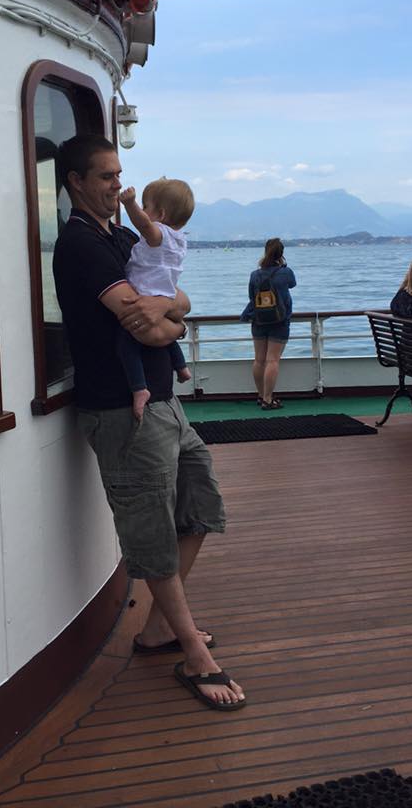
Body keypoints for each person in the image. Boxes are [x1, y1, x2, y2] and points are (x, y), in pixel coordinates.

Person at [52, 134, 246, 711]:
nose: (117, 184)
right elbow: (145, 324)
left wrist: (169, 309)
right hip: (123, 412)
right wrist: (171, 317)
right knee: (154, 533)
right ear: (76, 183)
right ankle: (194, 654)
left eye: (119, 174)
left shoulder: (123, 237)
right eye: (106, 176)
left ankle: (161, 626)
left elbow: (173, 296)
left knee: (198, 504)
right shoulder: (82, 246)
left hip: (164, 404)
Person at [117, 179, 193, 420]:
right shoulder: (180, 239)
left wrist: (128, 204)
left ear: (160, 214)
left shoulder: (158, 235)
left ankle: (139, 389)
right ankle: (181, 367)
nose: (142, 210)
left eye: (145, 205)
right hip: (166, 293)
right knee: (169, 339)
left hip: (146, 292)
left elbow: (142, 224)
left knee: (126, 342)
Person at [240, 238, 296, 410]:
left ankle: (260, 395)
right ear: (281, 253)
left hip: (259, 320)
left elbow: (251, 296)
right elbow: (292, 285)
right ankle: (268, 399)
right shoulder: (285, 272)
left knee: (259, 360)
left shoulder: (255, 274)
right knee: (272, 360)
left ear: (266, 251)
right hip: (279, 320)